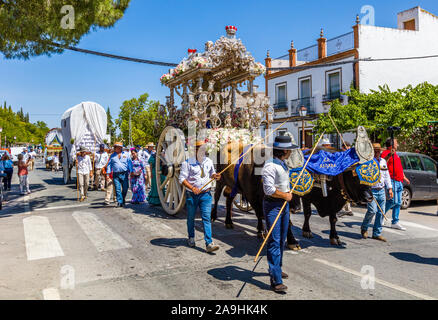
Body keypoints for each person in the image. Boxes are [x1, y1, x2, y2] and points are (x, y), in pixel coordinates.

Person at [262, 135, 298, 293]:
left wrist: (288, 193)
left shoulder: (283, 164)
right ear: (284, 150)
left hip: (284, 205)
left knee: (282, 238)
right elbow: (268, 190)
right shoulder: (269, 166)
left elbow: (283, 183)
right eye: (289, 149)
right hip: (273, 206)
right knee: (274, 241)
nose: (290, 152)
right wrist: (285, 195)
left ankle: (276, 269)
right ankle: (276, 280)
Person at [179, 139, 221, 253]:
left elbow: (212, 174)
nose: (202, 151)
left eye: (203, 149)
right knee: (191, 218)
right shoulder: (187, 163)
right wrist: (192, 188)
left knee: (206, 218)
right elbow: (182, 178)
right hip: (192, 195)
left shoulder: (209, 162)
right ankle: (191, 237)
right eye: (199, 149)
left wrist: (215, 176)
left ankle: (209, 243)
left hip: (206, 195)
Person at [361, 143, 393, 242]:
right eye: (375, 151)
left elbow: (386, 175)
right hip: (371, 190)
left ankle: (377, 233)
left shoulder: (383, 161)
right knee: (372, 210)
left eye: (379, 151)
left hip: (381, 189)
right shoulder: (368, 162)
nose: (377, 152)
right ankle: (364, 228)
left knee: (381, 212)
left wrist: (390, 188)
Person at [381, 138, 410, 230]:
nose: (398, 144)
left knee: (398, 203)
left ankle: (395, 222)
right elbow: (383, 162)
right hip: (392, 180)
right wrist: (390, 154)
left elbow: (399, 167)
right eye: (396, 143)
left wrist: (404, 176)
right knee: (392, 201)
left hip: (399, 181)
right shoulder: (386, 152)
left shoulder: (396, 155)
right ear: (392, 144)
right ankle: (380, 215)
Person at [107, 142, 133, 207]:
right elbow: (109, 165)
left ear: (121, 148)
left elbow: (130, 163)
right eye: (116, 147)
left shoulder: (126, 154)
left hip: (124, 173)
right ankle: (119, 201)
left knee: (125, 188)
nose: (117, 148)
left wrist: (131, 171)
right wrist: (108, 174)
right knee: (118, 189)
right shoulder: (112, 156)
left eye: (119, 147)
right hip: (116, 174)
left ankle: (123, 198)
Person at [338, 141, 354, 217]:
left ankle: (348, 209)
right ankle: (343, 209)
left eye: (348, 147)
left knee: (348, 192)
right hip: (341, 177)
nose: (348, 148)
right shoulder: (341, 155)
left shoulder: (350, 155)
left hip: (349, 176)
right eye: (346, 147)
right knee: (343, 192)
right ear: (343, 148)